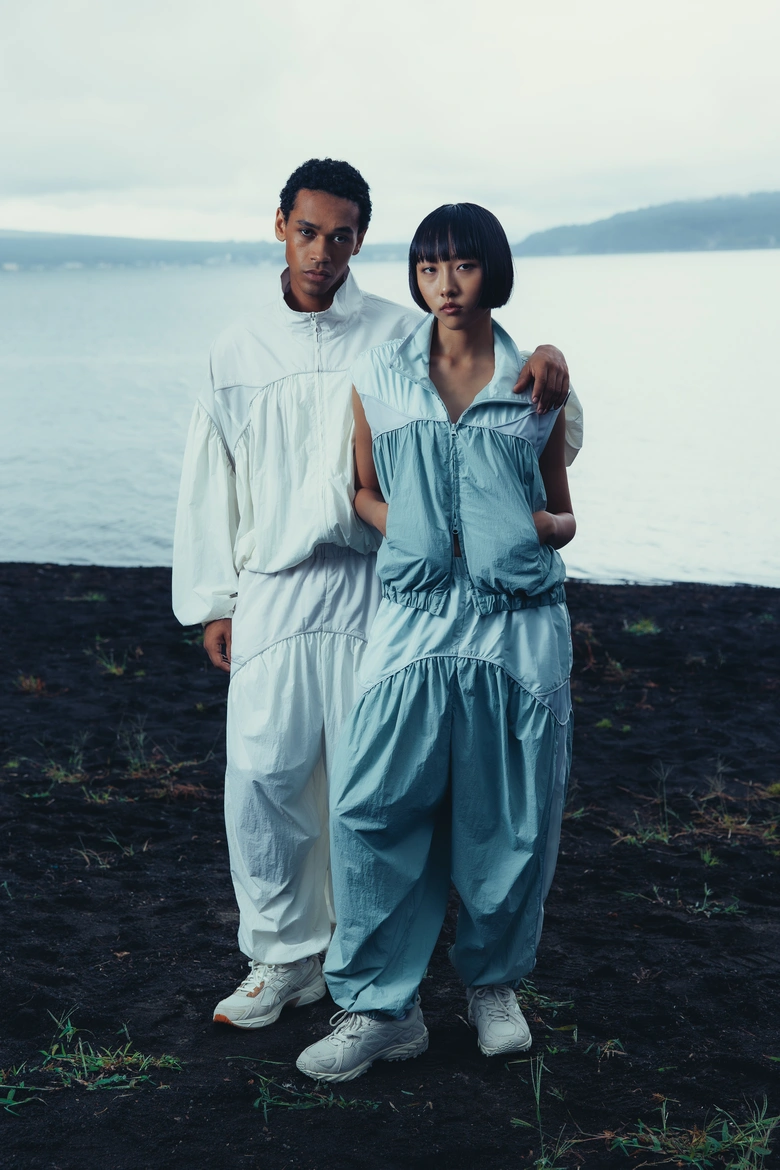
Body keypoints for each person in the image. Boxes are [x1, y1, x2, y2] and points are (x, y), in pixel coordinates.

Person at [172, 161, 580, 1031]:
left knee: (375, 792)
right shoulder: (237, 347)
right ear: (280, 225)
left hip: (382, 588)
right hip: (274, 583)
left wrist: (548, 357)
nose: (322, 251)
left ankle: (378, 974)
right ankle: (283, 957)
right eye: (307, 231)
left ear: (361, 240)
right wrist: (214, 598)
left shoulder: (399, 331)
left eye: (341, 236)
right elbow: (211, 476)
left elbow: (524, 421)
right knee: (265, 774)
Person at [296, 202, 576, 1082]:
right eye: (427, 268)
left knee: (510, 818)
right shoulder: (380, 377)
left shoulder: (537, 384)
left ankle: (494, 988)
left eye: (461, 266)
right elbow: (362, 490)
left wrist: (529, 529)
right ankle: (382, 1010)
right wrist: (414, 528)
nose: (444, 285)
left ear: (493, 271)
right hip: (413, 619)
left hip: (514, 626)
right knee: (374, 807)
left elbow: (564, 513)